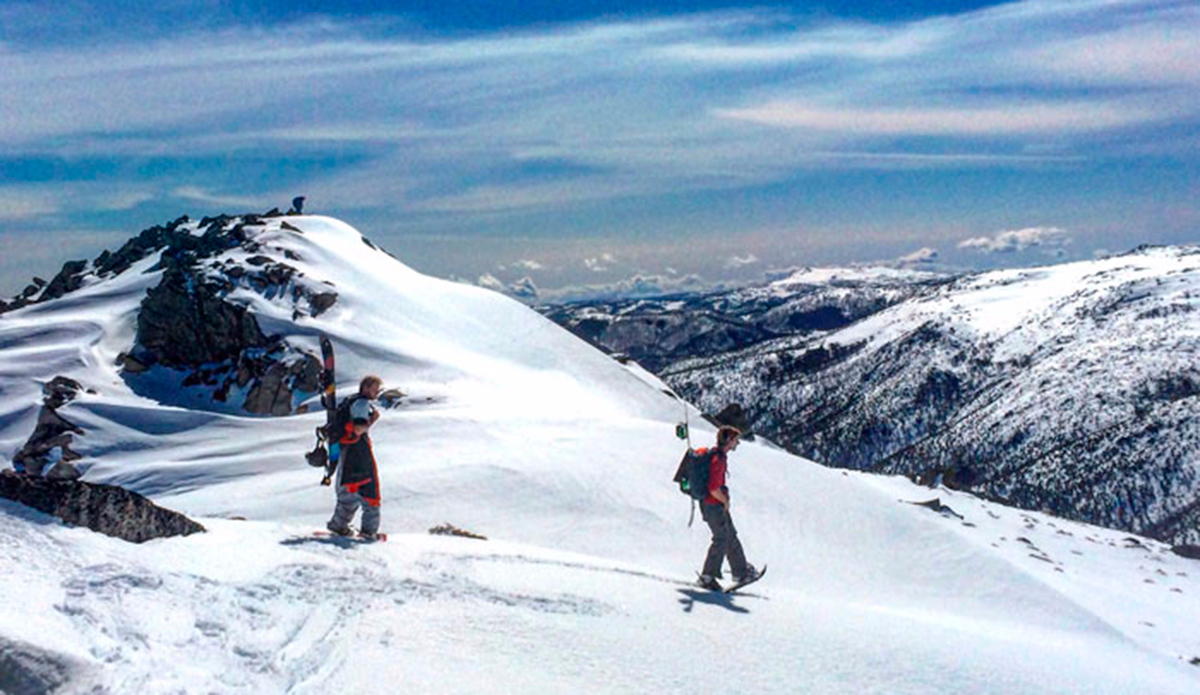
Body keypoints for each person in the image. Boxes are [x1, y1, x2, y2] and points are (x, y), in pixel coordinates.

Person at [697, 426, 758, 590]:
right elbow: (713, 488)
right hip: (713, 505)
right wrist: (725, 501)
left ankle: (741, 571)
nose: (737, 443)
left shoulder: (715, 455)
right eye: (736, 440)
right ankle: (707, 577)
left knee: (730, 535)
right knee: (721, 539)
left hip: (711, 505)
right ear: (729, 440)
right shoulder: (719, 459)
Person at [326, 375, 384, 539]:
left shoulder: (350, 401)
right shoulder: (362, 404)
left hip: (346, 452)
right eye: (374, 388)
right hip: (359, 454)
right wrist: (372, 420)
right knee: (370, 492)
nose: (376, 392)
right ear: (365, 388)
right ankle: (368, 531)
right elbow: (358, 429)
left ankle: (339, 525)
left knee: (349, 493)